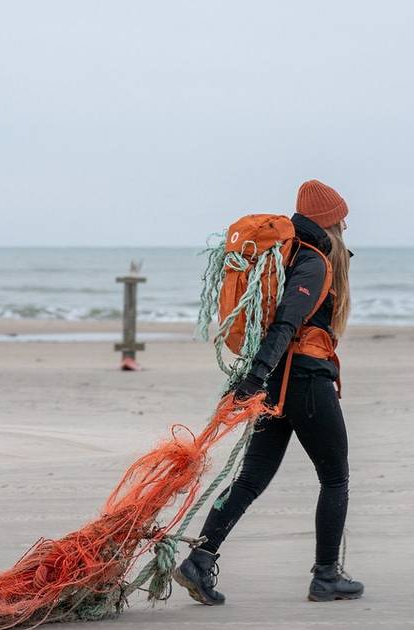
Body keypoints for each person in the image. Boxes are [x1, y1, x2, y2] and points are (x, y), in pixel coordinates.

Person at [175, 179, 363, 604]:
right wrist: (254, 378)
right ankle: (327, 576)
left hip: (278, 380)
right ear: (330, 222)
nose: (346, 226)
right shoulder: (313, 261)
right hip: (304, 380)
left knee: (252, 477)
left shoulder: (287, 254)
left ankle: (200, 561)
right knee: (335, 477)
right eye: (342, 219)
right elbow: (287, 323)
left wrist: (262, 378)